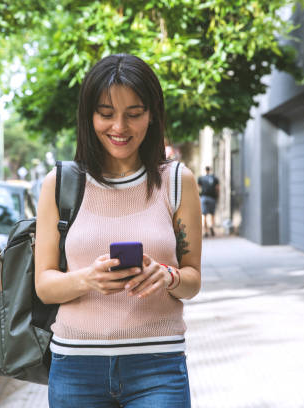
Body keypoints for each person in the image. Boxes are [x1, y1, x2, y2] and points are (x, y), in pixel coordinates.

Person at [35, 54, 202, 407]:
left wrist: (167, 276)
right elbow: (45, 286)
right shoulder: (61, 183)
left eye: (134, 113)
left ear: (152, 113)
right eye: (106, 113)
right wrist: (88, 279)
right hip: (76, 368)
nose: (119, 127)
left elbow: (192, 280)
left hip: (158, 366)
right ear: (89, 115)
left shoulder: (177, 182)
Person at [197, 166, 219, 237]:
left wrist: (199, 196)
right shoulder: (214, 178)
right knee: (212, 214)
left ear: (205, 170)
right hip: (212, 198)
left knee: (204, 215)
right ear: (210, 170)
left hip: (204, 197)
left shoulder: (201, 178)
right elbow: (217, 188)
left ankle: (206, 231)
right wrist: (217, 197)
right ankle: (212, 226)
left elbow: (198, 188)